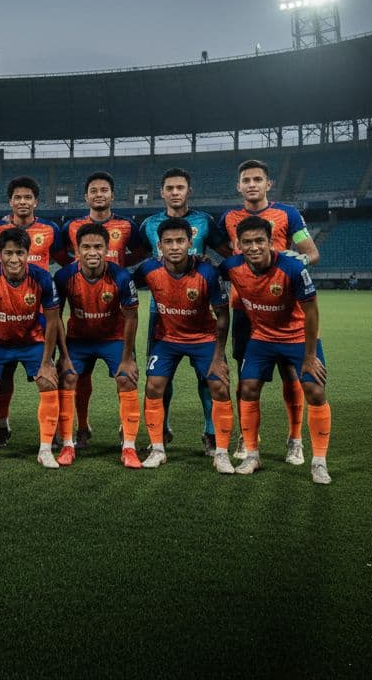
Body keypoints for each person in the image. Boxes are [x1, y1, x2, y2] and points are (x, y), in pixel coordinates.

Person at [218, 216, 333, 484]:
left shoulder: (292, 268)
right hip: (262, 337)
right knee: (247, 388)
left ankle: (319, 462)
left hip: (298, 337)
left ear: (271, 242)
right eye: (247, 242)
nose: (254, 247)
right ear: (238, 245)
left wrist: (309, 356)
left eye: (260, 241)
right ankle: (252, 455)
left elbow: (312, 312)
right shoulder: (231, 267)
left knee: (315, 390)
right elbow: (208, 274)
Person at [220, 159, 319, 465]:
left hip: (283, 308)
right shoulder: (228, 218)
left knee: (291, 373)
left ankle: (295, 439)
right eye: (246, 180)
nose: (252, 184)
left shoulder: (287, 213)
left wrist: (295, 260)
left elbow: (312, 253)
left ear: (268, 184)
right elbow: (227, 256)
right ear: (238, 186)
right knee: (246, 377)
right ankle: (247, 436)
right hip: (244, 308)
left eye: (257, 179)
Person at [140, 167, 232, 455]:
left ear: (189, 191)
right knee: (159, 378)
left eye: (180, 187)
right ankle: (162, 430)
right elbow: (134, 256)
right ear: (162, 192)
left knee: (208, 377)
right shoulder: (149, 224)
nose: (175, 192)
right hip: (161, 312)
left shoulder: (204, 221)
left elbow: (228, 254)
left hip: (198, 311)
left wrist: (214, 268)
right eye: (170, 188)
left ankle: (211, 432)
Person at [50, 223, 141, 468]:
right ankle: (69, 442)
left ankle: (129, 447)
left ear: (107, 249)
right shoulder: (64, 276)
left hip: (113, 338)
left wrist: (127, 359)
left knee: (126, 378)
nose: (92, 252)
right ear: (77, 250)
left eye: (98, 247)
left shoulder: (121, 276)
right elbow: (55, 317)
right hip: (79, 339)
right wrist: (64, 355)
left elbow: (131, 317)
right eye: (86, 247)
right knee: (68, 377)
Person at [0, 227, 62, 469]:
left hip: (32, 341)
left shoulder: (43, 278)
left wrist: (47, 363)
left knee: (48, 382)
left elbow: (53, 320)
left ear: (28, 254)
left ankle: (45, 449)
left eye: (20, 253)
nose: (14, 259)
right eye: (8, 253)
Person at [0, 176, 64, 448]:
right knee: (3, 376)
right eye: (17, 197)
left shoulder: (51, 229)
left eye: (27, 197)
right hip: (5, 312)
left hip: (38, 317)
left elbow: (63, 258)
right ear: (10, 201)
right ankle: (3, 425)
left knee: (49, 374)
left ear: (36, 201)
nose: (22, 202)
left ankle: (54, 431)